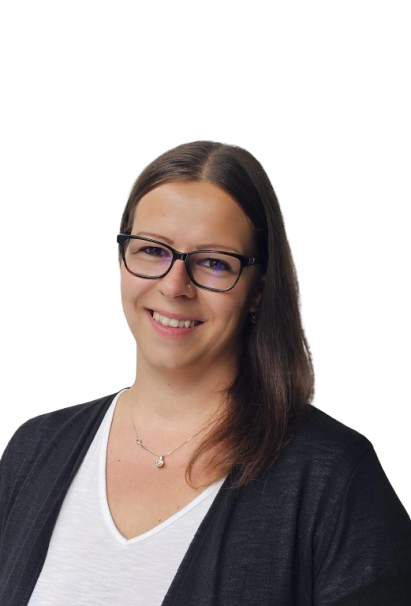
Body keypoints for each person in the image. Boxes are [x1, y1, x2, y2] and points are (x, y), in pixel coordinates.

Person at [1, 140, 410, 606]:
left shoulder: (334, 479)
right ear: (121, 259)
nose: (175, 286)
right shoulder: (33, 449)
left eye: (214, 262)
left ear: (258, 289)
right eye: (152, 250)